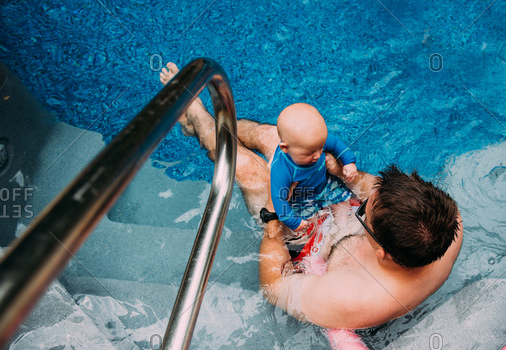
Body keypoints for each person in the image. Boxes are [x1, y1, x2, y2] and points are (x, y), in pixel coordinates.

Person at [160, 62, 463, 330]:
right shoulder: (446, 220)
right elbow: (370, 188)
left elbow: (273, 288)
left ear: (381, 253)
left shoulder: (350, 297)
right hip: (335, 222)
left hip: (303, 243)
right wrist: (341, 170)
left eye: (366, 209)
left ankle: (197, 120)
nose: (366, 198)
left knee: (249, 171)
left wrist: (273, 219)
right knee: (276, 139)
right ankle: (213, 127)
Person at [269, 103, 357, 232]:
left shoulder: (314, 142)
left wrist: (349, 162)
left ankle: (343, 227)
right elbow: (279, 199)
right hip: (301, 198)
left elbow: (336, 143)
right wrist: (293, 222)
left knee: (344, 205)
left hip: (325, 185)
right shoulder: (281, 169)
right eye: (310, 153)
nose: (318, 155)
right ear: (285, 148)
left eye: (321, 147)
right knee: (306, 225)